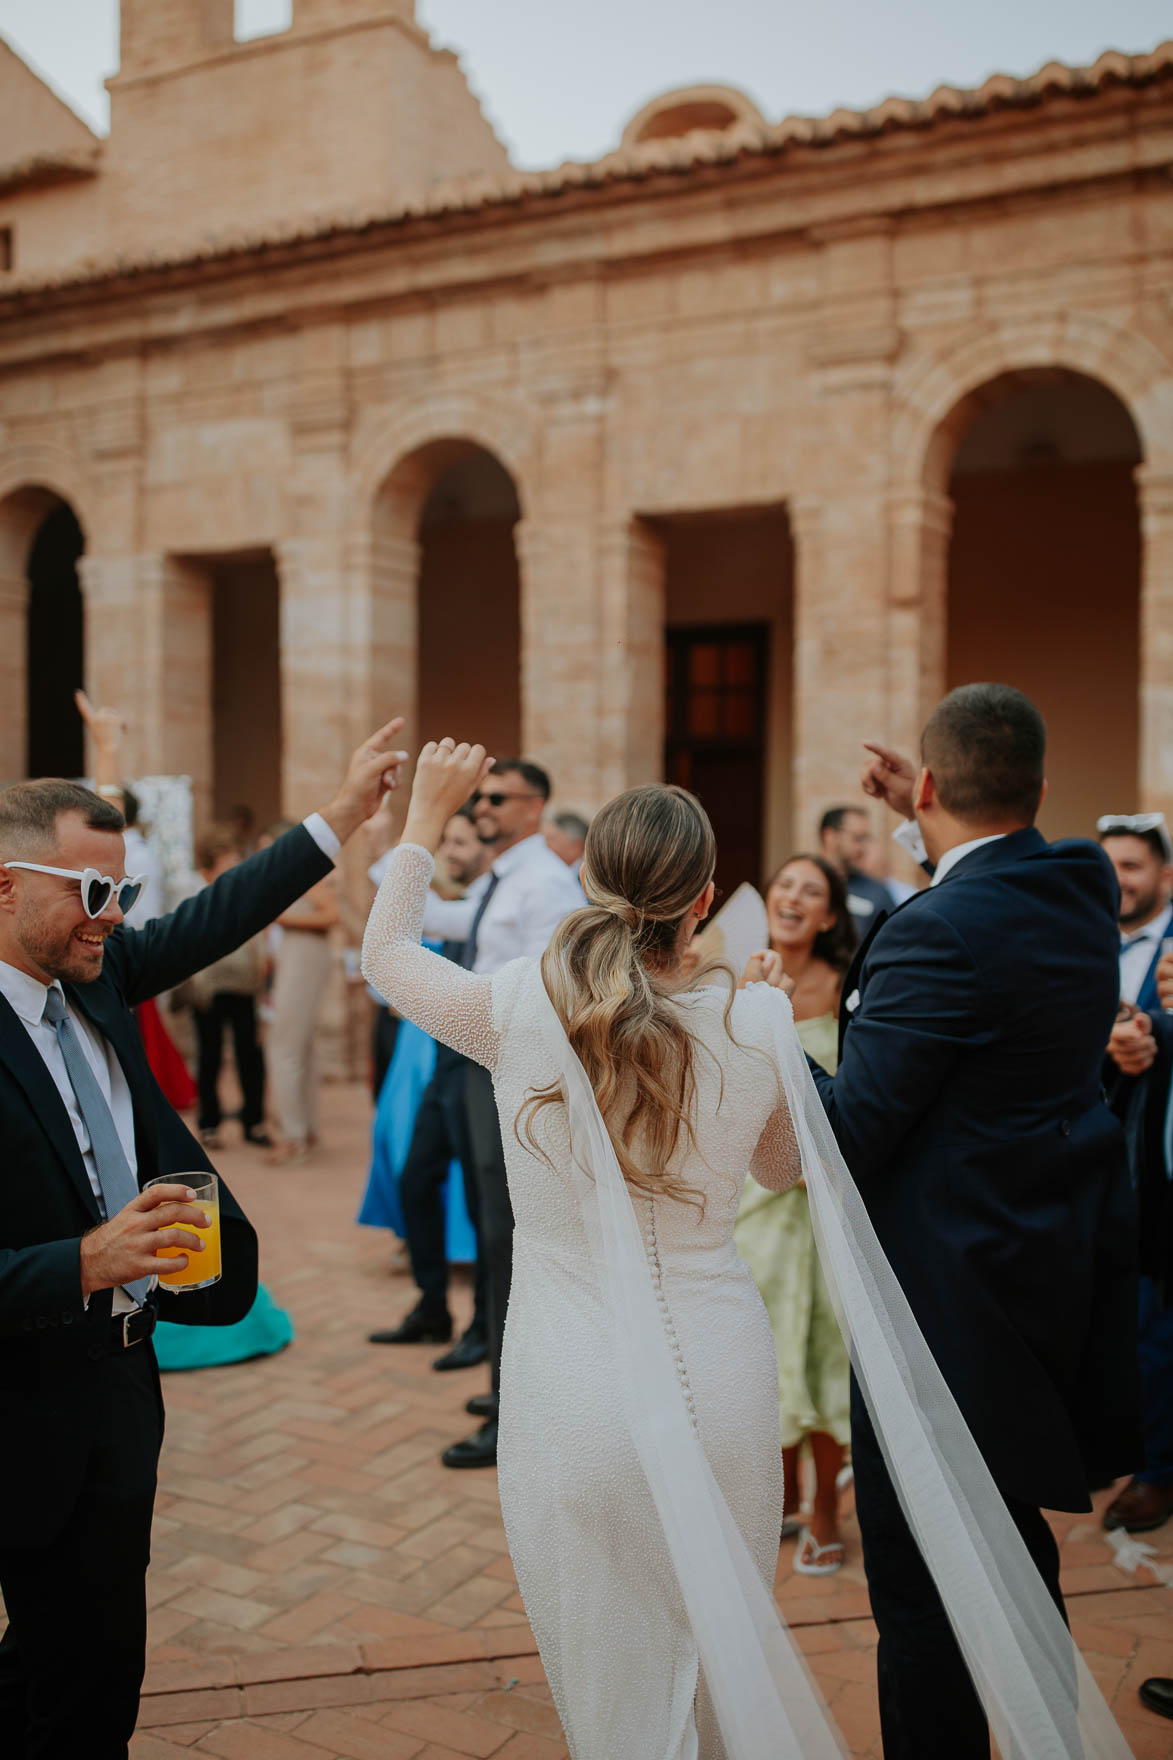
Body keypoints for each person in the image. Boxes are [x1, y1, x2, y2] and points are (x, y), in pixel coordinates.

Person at [363, 736, 1134, 1760]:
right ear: (708, 896)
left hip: (574, 1385)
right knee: (716, 1646)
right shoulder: (756, 1015)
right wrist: (758, 1022)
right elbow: (783, 1168)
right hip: (724, 1377)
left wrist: (420, 826)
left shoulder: (517, 1003)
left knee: (616, 1673)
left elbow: (387, 958)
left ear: (593, 882)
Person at [0, 715, 404, 1758]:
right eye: (93, 891)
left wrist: (344, 815)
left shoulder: (98, 977)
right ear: (5, 885)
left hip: (124, 1386)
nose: (114, 915)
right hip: (16, 1396)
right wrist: (79, 1262)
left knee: (96, 1661)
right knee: (48, 1669)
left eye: (122, 890)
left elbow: (219, 914)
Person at [826, 683, 1141, 1760]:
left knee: (919, 1594)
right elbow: (989, 882)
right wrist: (925, 821)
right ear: (1042, 791)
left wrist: (764, 1036)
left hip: (939, 1304)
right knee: (1008, 1555)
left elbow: (853, 1127)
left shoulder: (937, 935)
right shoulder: (1080, 886)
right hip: (1037, 1272)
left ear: (922, 783)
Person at [417, 759, 585, 1468]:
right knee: (494, 1232)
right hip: (477, 1057)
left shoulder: (545, 881)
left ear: (535, 804)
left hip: (507, 1063)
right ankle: (505, 1381)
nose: (481, 805)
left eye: (495, 797)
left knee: (508, 1233)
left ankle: (514, 1412)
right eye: (478, 796)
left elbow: (550, 984)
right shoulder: (506, 874)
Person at [733, 854, 856, 1575]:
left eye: (811, 892)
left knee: (824, 1346)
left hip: (826, 1199)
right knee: (764, 1341)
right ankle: (778, 1493)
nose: (793, 898)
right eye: (785, 886)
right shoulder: (736, 978)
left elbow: (861, 1094)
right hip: (758, 1195)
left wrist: (832, 1162)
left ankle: (827, 1508)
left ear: (829, 916)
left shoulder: (845, 989)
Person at [366, 806, 492, 1369]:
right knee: (415, 1177)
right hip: (445, 1066)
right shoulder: (459, 907)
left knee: (484, 1203)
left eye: (462, 841)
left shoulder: (485, 904)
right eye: (448, 842)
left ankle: (485, 1329)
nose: (454, 851)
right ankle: (432, 1306)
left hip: (483, 1066)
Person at [1098, 812, 1173, 1536]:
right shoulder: (1081, 942)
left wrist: (1148, 1034)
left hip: (1158, 1161)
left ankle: (1154, 1471)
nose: (1118, 880)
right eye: (1109, 865)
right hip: (1089, 1158)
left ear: (1164, 877)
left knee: (1155, 1317)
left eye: (1132, 866)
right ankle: (1107, 1446)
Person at [180, 825, 269, 1150]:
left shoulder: (242, 888)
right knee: (210, 1054)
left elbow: (256, 932)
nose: (235, 861)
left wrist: (262, 962)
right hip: (208, 986)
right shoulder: (193, 890)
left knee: (250, 1053)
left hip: (243, 983)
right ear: (213, 860)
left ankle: (254, 1120)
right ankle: (209, 1124)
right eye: (230, 857)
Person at [265, 864, 341, 1164]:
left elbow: (332, 914)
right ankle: (305, 1129)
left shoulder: (304, 877)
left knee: (283, 1048)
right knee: (300, 1048)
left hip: (303, 961)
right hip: (301, 958)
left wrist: (281, 917)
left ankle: (291, 1137)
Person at [817, 804, 896, 925]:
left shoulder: (876, 894)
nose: (862, 848)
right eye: (857, 838)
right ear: (830, 836)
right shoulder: (800, 886)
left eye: (865, 839)